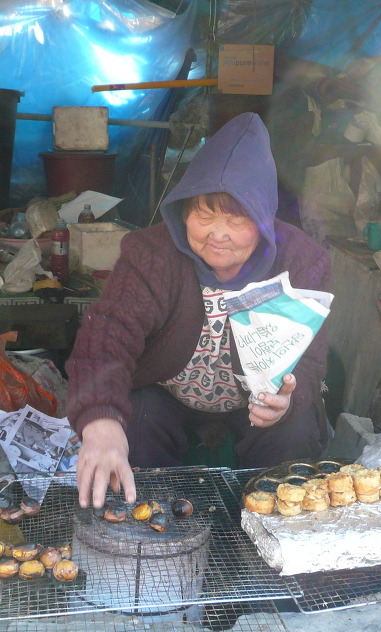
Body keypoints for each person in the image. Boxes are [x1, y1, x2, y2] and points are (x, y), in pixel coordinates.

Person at [66, 112, 331, 508]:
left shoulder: (303, 261)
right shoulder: (151, 253)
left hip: (255, 406)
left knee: (295, 431)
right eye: (203, 216)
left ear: (262, 220)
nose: (217, 234)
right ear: (183, 210)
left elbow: (310, 360)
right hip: (167, 393)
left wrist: (288, 400)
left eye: (236, 219)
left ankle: (264, 551)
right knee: (137, 417)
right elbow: (108, 337)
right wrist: (100, 419)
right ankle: (150, 533)